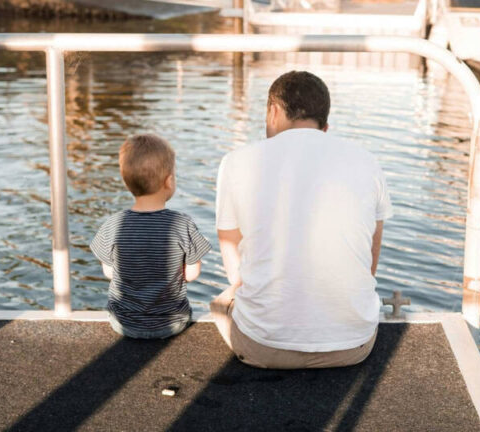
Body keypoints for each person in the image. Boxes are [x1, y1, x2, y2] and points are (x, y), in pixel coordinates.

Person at [211, 71, 393, 369]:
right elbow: (370, 262)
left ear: (273, 112)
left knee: (224, 299)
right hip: (354, 346)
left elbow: (234, 267)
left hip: (262, 347)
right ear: (325, 127)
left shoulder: (236, 161)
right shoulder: (367, 161)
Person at [91, 134, 212, 339]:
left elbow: (109, 272)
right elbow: (192, 274)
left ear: (126, 181)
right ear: (169, 181)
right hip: (172, 323)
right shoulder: (183, 224)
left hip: (123, 323)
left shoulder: (113, 225)